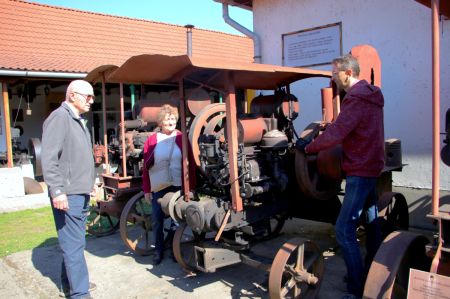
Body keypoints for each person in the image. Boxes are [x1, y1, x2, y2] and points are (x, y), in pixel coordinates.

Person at [300, 54, 384, 299]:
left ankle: (355, 290)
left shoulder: (356, 99)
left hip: (359, 170)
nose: (332, 77)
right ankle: (370, 273)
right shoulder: (372, 96)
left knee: (344, 230)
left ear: (348, 73)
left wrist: (308, 147)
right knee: (371, 224)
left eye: (335, 73)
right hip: (371, 167)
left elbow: (337, 132)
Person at [42, 80, 97, 299]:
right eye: (88, 96)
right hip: (69, 194)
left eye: (92, 97)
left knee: (75, 243)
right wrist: (57, 191)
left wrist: (90, 182)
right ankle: (80, 294)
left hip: (78, 192)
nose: (92, 100)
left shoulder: (76, 119)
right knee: (74, 246)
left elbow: (78, 157)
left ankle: (70, 283)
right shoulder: (60, 117)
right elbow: (49, 158)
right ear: (72, 95)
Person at [142, 104, 196, 265]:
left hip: (178, 185)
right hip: (159, 186)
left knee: (176, 220)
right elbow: (146, 167)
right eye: (167, 119)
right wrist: (146, 190)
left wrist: (191, 186)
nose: (171, 121)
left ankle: (173, 249)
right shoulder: (152, 140)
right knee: (157, 219)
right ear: (160, 122)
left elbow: (190, 164)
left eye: (173, 118)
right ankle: (158, 250)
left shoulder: (181, 138)